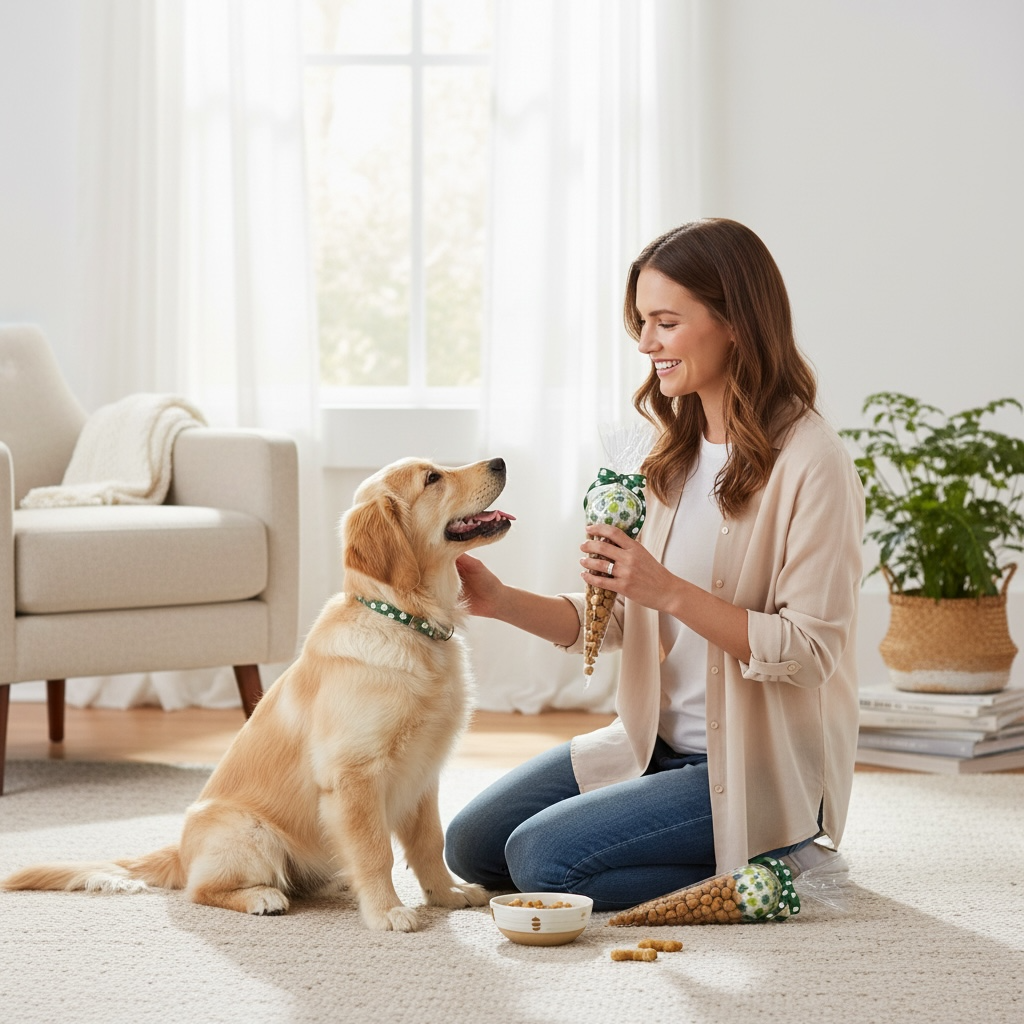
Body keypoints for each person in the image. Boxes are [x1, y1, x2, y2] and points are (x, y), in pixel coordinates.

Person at [445, 218, 864, 911]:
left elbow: (809, 651)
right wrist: (500, 600)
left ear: (736, 324)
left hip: (750, 767)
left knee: (540, 861)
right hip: (650, 746)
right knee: (472, 847)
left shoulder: (812, 463)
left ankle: (781, 859)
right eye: (642, 322)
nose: (645, 343)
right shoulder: (669, 453)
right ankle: (724, 851)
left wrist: (668, 590)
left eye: (666, 323)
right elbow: (622, 622)